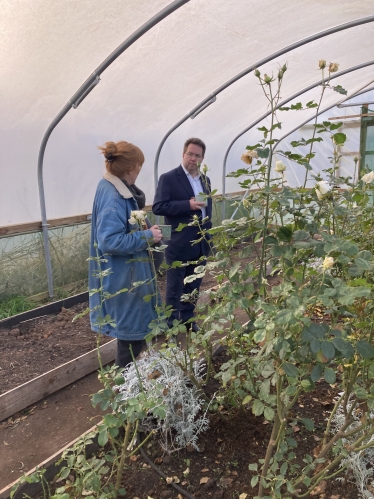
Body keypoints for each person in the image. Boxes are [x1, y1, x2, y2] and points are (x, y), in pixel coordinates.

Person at [89, 141, 162, 368]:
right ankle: (124, 387)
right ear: (132, 168)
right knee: (132, 336)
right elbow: (109, 241)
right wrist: (147, 236)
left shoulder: (113, 188)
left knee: (133, 334)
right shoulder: (113, 196)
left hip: (127, 273)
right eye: (139, 165)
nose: (140, 170)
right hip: (124, 276)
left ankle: (130, 384)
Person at [152, 137, 212, 331]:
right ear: (183, 154)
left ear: (202, 158)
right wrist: (188, 204)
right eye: (190, 154)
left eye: (197, 155)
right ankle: (170, 324)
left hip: (201, 242)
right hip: (179, 243)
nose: (193, 159)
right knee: (174, 286)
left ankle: (187, 319)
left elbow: (207, 209)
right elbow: (159, 207)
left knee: (194, 284)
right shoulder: (169, 178)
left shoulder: (205, 180)